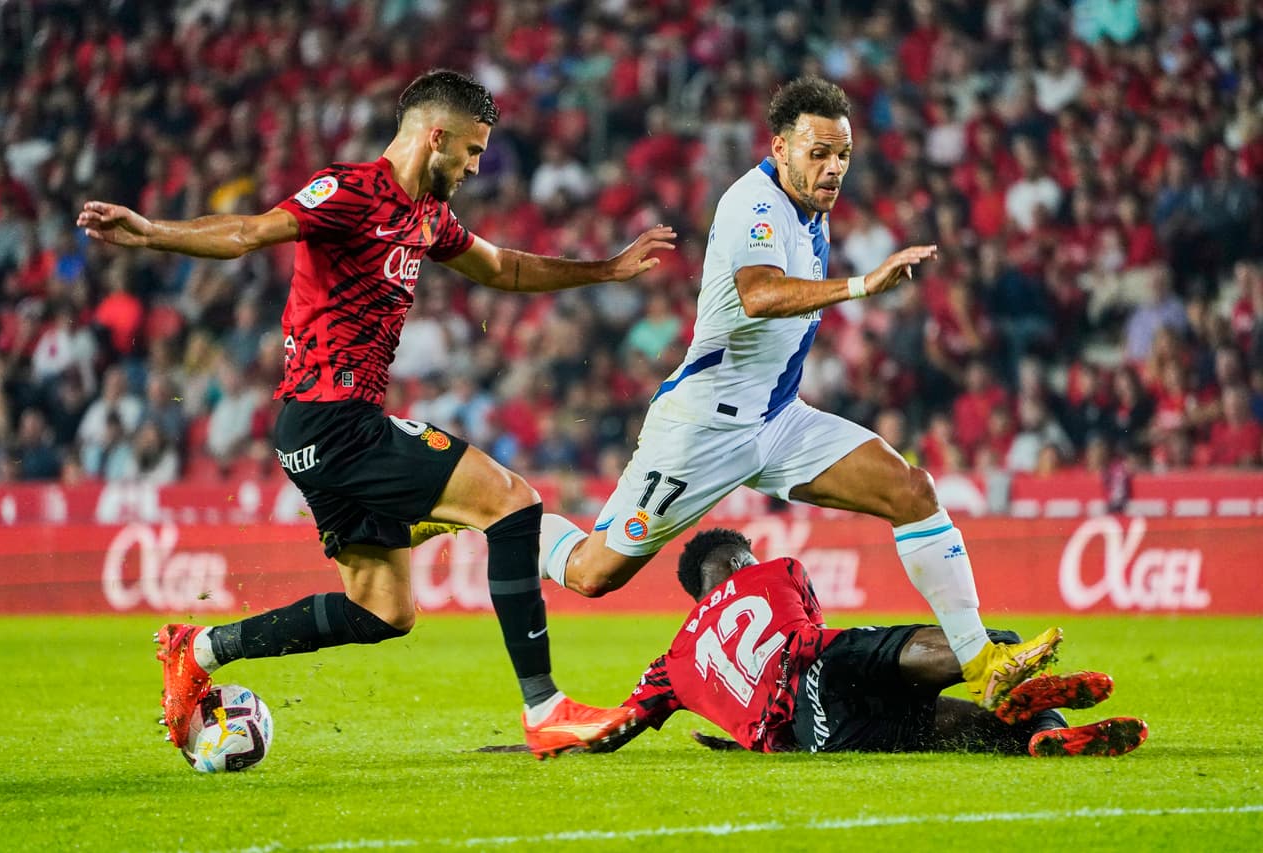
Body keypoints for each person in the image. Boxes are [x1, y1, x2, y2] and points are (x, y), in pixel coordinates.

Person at [77, 69, 676, 760]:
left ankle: (201, 648)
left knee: (384, 610)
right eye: (474, 151)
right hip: (336, 422)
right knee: (514, 503)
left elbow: (503, 268)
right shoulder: (351, 190)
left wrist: (605, 268)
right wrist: (151, 235)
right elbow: (248, 231)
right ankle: (546, 708)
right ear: (437, 135)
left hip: (316, 432)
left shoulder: (428, 212)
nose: (478, 166)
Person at [532, 76, 1061, 711]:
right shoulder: (753, 206)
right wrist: (864, 285)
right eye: (818, 153)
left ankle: (982, 664)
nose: (833, 168)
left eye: (843, 154)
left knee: (911, 490)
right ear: (780, 147)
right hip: (705, 428)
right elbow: (759, 295)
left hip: (779, 420)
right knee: (594, 574)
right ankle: (506, 518)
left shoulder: (812, 210)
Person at [605, 528, 1148, 757]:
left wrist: (531, 746)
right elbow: (814, 644)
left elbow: (608, 731)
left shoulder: (672, 662)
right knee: (985, 646)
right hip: (823, 666)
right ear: (736, 562)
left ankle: (1044, 734)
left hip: (817, 733)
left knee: (964, 731)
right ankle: (1004, 677)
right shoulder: (774, 570)